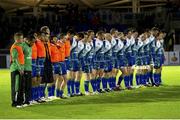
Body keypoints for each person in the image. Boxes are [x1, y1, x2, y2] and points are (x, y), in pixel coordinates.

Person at [10, 32, 24, 107]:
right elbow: (15, 59)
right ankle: (14, 102)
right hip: (15, 69)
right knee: (15, 86)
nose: (22, 39)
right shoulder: (14, 47)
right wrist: (20, 68)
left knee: (18, 85)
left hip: (18, 68)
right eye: (21, 38)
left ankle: (18, 101)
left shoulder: (19, 45)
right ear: (17, 39)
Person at [22, 33, 35, 106]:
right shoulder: (23, 46)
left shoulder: (30, 47)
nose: (33, 43)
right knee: (24, 86)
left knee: (29, 86)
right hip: (24, 69)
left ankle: (27, 100)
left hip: (29, 68)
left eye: (34, 42)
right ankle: (23, 100)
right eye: (32, 42)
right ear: (28, 40)